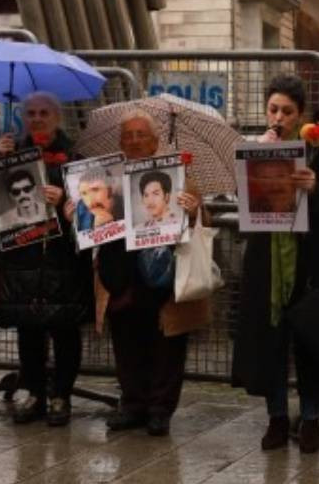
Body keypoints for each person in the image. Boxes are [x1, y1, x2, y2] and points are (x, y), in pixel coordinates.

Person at [231, 74, 319, 453]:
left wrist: (315, 187)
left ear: (300, 115)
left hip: (307, 258)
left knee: (309, 336)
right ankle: (277, 417)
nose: (278, 117)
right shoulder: (255, 147)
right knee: (269, 340)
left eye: (287, 111)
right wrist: (252, 162)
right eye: (273, 109)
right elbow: (242, 202)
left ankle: (311, 417)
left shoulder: (316, 149)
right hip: (267, 259)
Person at [93, 109, 209, 437]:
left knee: (166, 345)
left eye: (140, 135)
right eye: (127, 136)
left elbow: (202, 220)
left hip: (164, 278)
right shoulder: (109, 179)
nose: (133, 141)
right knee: (126, 340)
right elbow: (94, 221)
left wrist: (192, 209)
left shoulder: (178, 175)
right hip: (121, 273)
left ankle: (160, 409)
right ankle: (132, 404)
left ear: (156, 141)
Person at [0, 91, 94, 427]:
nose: (37, 119)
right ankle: (34, 392)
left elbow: (94, 211)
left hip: (63, 257)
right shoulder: (11, 154)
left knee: (65, 329)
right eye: (31, 113)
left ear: (56, 118)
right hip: (24, 257)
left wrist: (65, 196)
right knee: (29, 329)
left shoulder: (77, 157)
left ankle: (61, 395)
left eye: (43, 113)